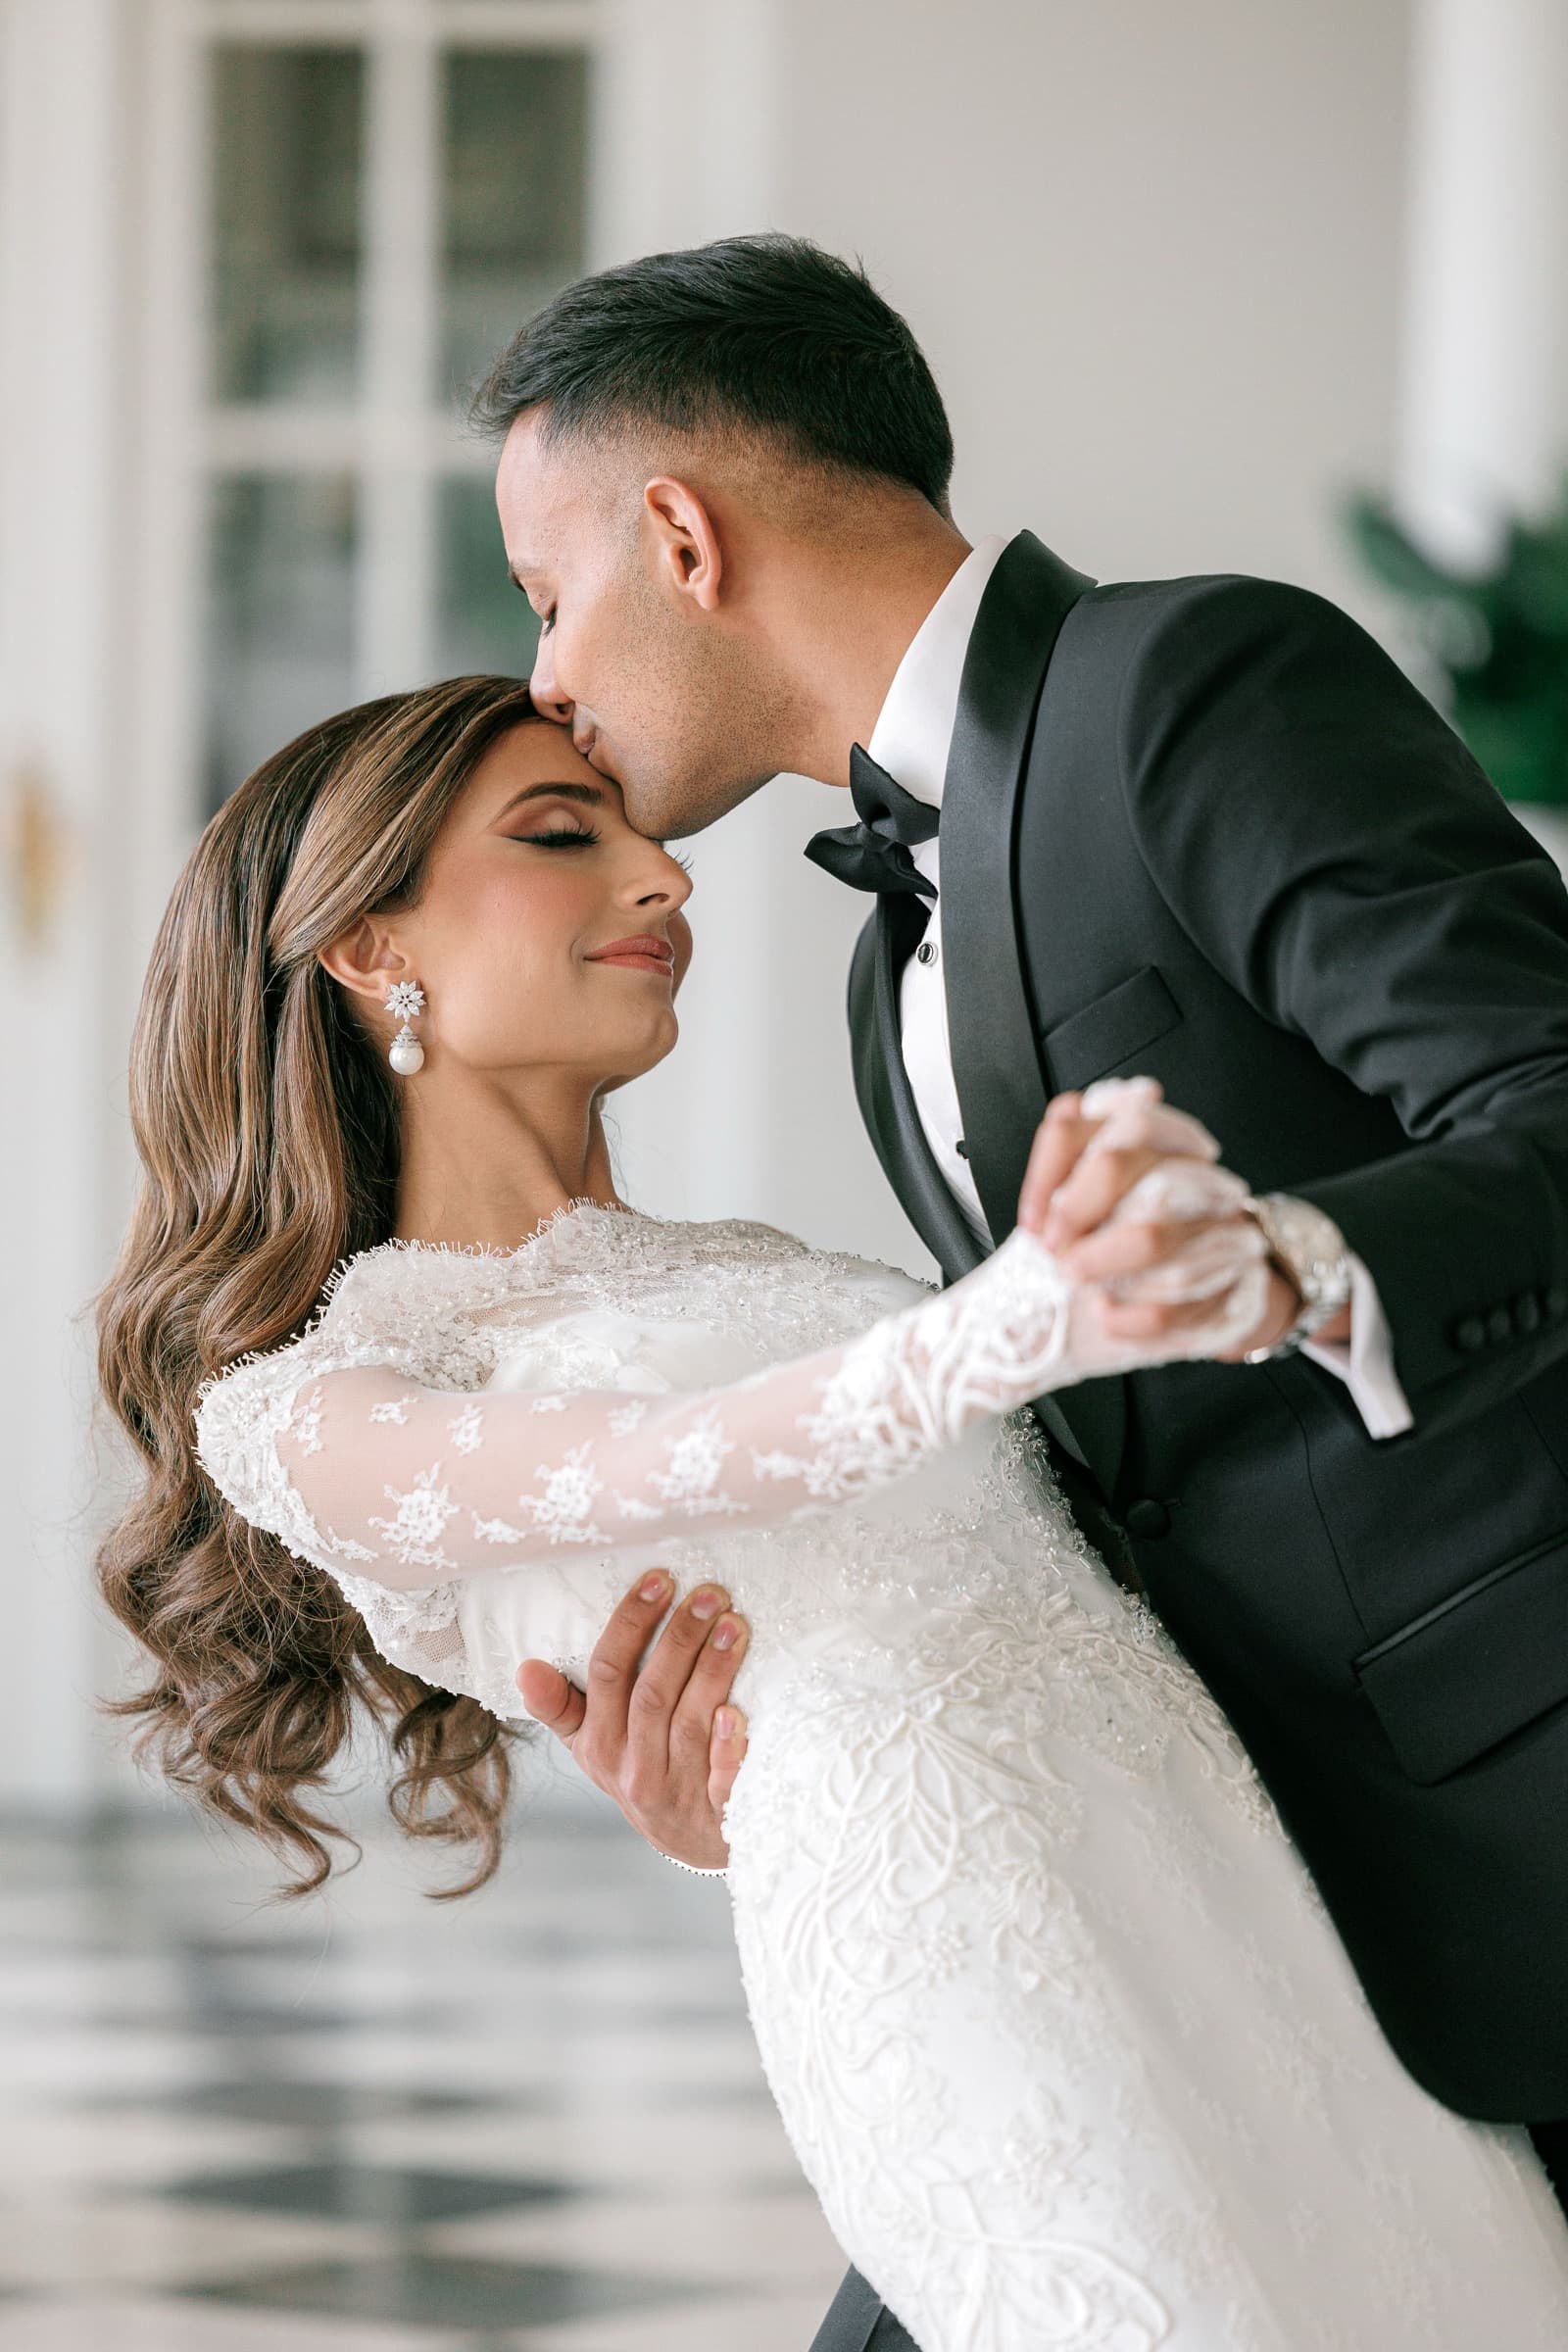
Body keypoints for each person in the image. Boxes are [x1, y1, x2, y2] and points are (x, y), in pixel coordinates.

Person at [98, 678, 1568, 2345]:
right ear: (371, 947)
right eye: (564, 836)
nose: (666, 878)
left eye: (644, 836)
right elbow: (682, 1457)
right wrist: (1023, 1316)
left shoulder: (765, 1269)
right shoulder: (310, 1401)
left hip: (1251, 1897)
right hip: (970, 1950)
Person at [467, 235, 1568, 2347]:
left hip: (1509, 1797)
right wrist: (773, 1751)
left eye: (546, 596)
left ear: (677, 533)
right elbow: (1096, 1459)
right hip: (1213, 1879)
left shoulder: (1186, 682)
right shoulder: (890, 941)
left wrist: (1296, 1258)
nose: (545, 680)